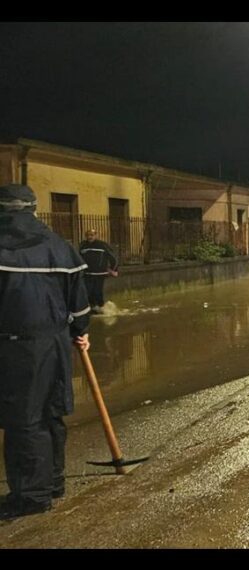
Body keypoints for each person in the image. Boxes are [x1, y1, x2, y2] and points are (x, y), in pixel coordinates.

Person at [0, 184, 91, 521]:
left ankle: (31, 496)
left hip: (14, 346)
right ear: (34, 210)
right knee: (50, 411)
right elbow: (79, 305)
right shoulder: (60, 247)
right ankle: (52, 482)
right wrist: (81, 333)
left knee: (24, 418)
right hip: (55, 342)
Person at [78, 229, 118, 315]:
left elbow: (113, 257)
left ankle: (101, 307)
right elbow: (78, 257)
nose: (90, 237)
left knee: (97, 291)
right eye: (88, 235)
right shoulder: (83, 246)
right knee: (88, 291)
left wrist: (114, 269)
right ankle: (93, 308)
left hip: (100, 273)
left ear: (96, 235)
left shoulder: (102, 245)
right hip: (87, 273)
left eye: (92, 235)